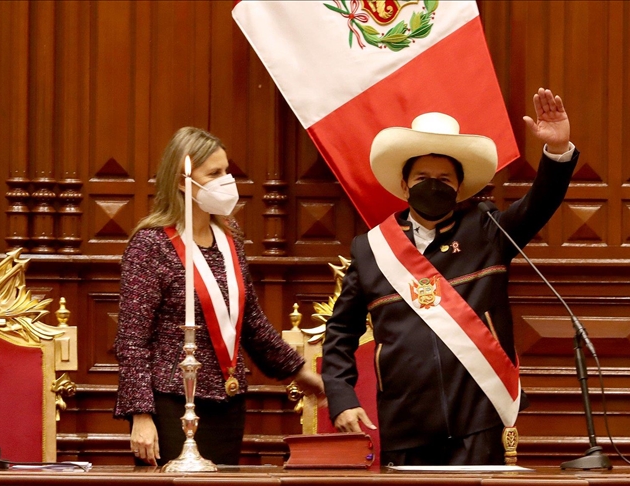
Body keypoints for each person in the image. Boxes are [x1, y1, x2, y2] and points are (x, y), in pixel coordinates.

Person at [322, 88, 577, 466]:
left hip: (478, 416)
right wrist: (341, 396)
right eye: (422, 176)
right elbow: (341, 331)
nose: (433, 184)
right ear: (405, 185)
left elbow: (541, 202)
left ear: (458, 187)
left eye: (444, 178)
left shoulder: (489, 229)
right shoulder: (372, 249)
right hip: (404, 419)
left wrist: (558, 152)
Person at [114, 127, 325, 466]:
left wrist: (300, 372)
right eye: (214, 173)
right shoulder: (150, 245)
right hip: (169, 401)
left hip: (227, 399)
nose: (226, 181)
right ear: (183, 181)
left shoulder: (229, 236)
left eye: (227, 171)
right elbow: (132, 340)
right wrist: (140, 415)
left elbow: (251, 321)